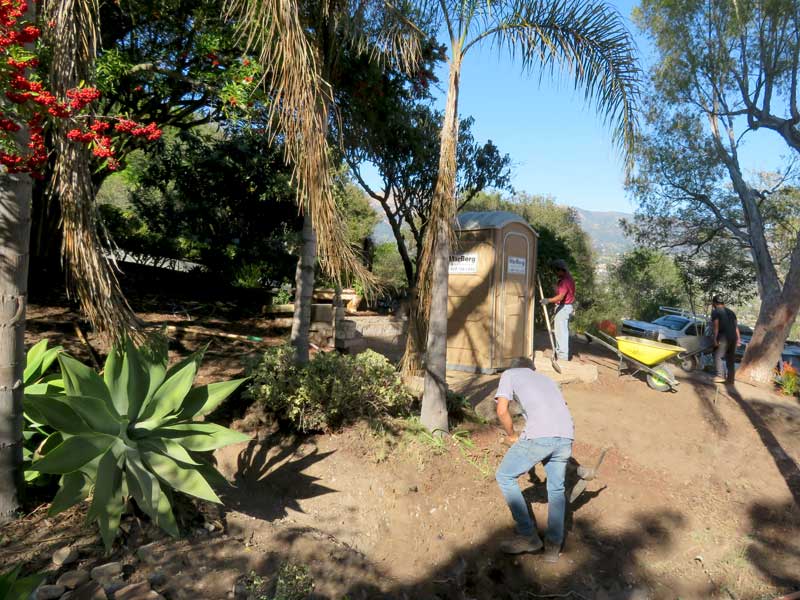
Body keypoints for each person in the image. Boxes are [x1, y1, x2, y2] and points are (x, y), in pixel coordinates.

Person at [494, 357, 574, 563]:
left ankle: (528, 536)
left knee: (504, 476)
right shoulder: (547, 380)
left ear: (514, 367)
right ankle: (553, 548)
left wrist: (511, 435)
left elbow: (502, 410)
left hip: (540, 436)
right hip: (566, 436)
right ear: (532, 369)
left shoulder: (510, 374)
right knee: (556, 489)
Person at [541, 259, 575, 361]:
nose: (555, 273)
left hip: (564, 308)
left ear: (561, 270)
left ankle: (563, 357)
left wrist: (548, 300)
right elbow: (561, 293)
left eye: (556, 271)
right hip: (566, 307)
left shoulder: (565, 281)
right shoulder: (567, 278)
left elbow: (560, 297)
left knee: (561, 333)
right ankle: (559, 353)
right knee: (561, 332)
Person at [710, 295, 741, 384]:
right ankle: (731, 379)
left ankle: (720, 376)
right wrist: (738, 339)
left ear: (714, 303)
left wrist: (715, 339)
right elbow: (735, 327)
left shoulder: (716, 312)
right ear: (723, 303)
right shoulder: (731, 312)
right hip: (733, 337)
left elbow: (716, 326)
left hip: (723, 337)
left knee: (717, 355)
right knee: (730, 358)